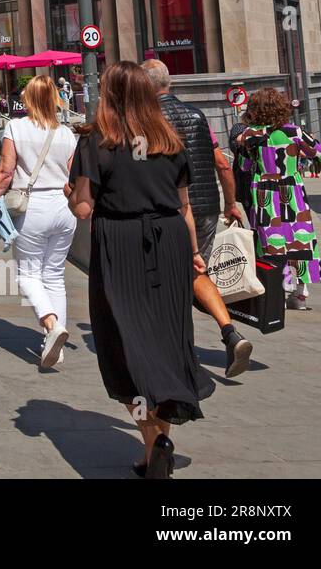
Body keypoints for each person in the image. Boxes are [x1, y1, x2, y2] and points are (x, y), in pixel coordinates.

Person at [68, 61, 214, 479]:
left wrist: (70, 189)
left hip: (121, 244)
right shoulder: (169, 139)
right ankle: (157, 448)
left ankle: (154, 445)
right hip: (168, 242)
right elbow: (185, 206)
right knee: (166, 341)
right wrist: (192, 255)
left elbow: (83, 209)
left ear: (110, 94)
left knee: (122, 346)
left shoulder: (98, 142)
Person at [141, 59, 254, 377]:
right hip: (205, 208)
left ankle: (173, 348)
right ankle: (230, 333)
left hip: (165, 209)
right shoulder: (197, 116)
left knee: (162, 279)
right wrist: (230, 203)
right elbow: (222, 163)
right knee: (194, 271)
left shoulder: (145, 120)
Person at [0, 76, 79, 368]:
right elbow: (72, 176)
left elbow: (5, 170)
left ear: (29, 99)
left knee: (27, 275)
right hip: (63, 209)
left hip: (32, 207)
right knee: (54, 276)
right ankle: (56, 346)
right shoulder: (66, 133)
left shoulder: (16, 126)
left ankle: (52, 327)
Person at [237, 88, 321, 310]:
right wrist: (300, 154)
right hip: (293, 191)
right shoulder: (295, 132)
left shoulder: (251, 135)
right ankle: (301, 291)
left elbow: (244, 166)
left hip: (265, 193)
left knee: (273, 241)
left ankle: (284, 284)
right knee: (300, 237)